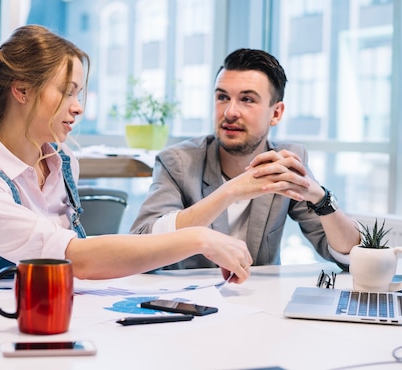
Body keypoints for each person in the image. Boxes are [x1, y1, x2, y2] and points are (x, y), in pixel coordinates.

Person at [0, 25, 252, 283]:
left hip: (46, 327)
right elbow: (75, 258)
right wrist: (200, 239)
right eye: (66, 91)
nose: (78, 107)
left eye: (79, 93)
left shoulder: (63, 163)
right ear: (22, 90)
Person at [130, 48, 360, 270]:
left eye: (247, 99)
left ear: (276, 113)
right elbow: (140, 245)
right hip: (186, 301)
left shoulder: (286, 163)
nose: (230, 112)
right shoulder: (178, 162)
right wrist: (230, 191)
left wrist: (320, 198)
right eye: (222, 97)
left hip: (258, 301)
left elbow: (350, 255)